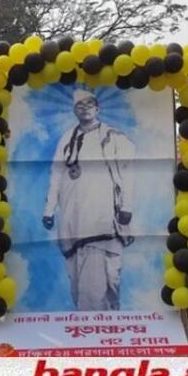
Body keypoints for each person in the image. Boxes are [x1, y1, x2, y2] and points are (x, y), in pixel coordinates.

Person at [43, 89, 136, 311]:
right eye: (79, 105)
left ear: (97, 108)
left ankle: (102, 328)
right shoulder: (67, 138)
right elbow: (57, 174)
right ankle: (92, 326)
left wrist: (127, 205)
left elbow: (128, 173)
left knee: (101, 282)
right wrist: (49, 209)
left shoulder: (113, 137)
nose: (84, 108)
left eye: (89, 103)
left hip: (102, 217)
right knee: (77, 283)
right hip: (72, 219)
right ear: (74, 111)